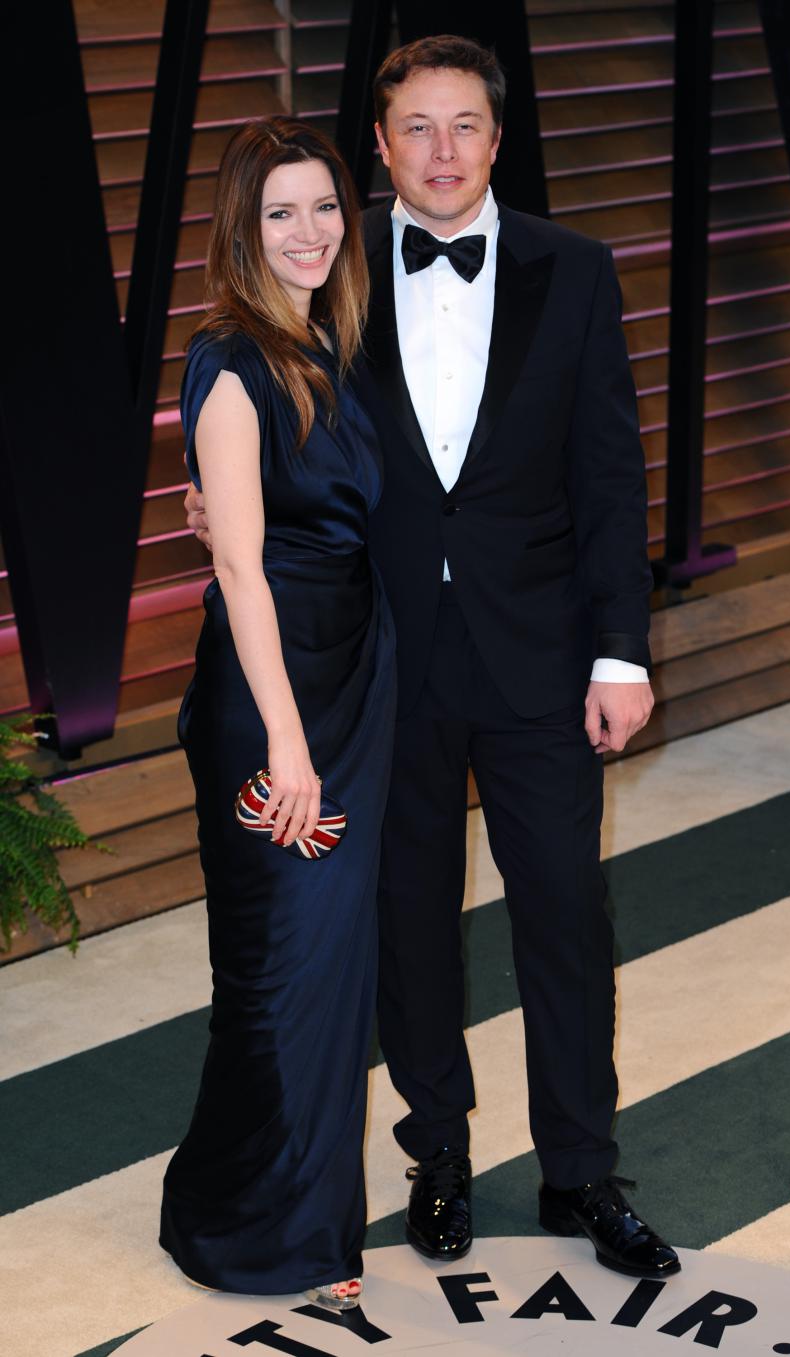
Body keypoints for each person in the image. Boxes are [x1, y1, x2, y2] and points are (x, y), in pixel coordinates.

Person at [187, 35, 679, 1281]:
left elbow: (611, 476)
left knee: (565, 915)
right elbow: (268, 412)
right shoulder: (329, 263)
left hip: (544, 658)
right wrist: (222, 507)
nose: (443, 152)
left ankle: (581, 1172)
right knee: (408, 925)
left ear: (498, 140)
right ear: (382, 144)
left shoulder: (576, 270)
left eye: (466, 126)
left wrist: (621, 650)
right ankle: (439, 1156)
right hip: (381, 665)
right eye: (417, 128)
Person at [161, 116, 396, 1310]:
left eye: (322, 208)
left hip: (356, 675)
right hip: (276, 708)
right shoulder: (231, 358)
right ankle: (258, 1230)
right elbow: (243, 571)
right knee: (280, 965)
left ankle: (274, 1206)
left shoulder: (333, 343)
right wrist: (291, 744)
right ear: (241, 231)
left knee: (332, 968)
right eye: (279, 213)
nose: (307, 232)